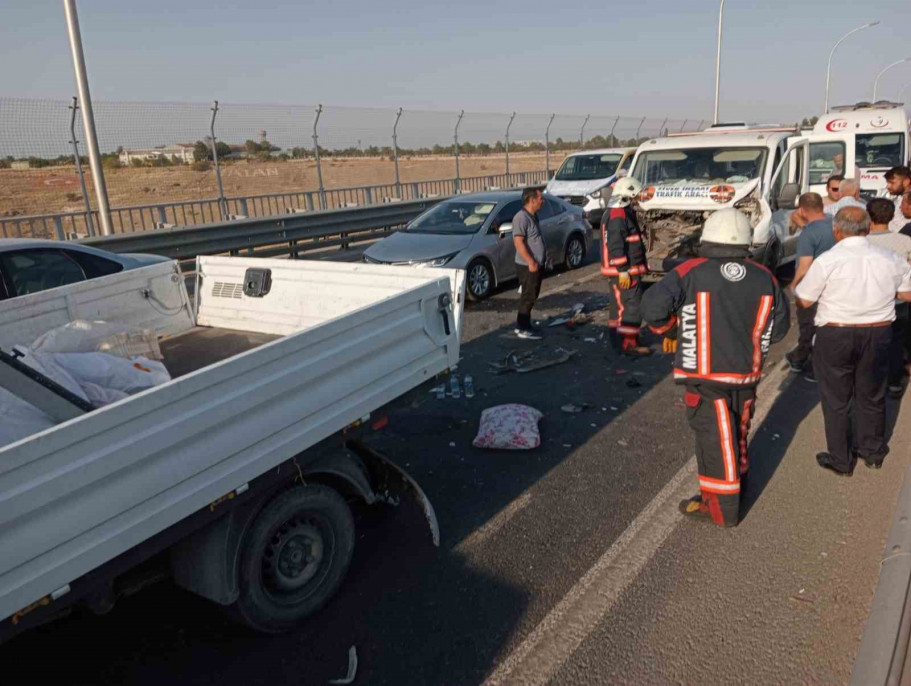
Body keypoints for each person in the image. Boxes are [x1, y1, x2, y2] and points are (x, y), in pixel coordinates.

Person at [641, 209, 790, 527]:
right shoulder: (765, 276)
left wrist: (670, 329)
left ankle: (722, 509)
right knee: (736, 433)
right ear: (747, 242)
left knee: (714, 438)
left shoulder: (690, 271)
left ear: (707, 238)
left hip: (704, 373)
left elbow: (652, 307)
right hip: (746, 374)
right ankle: (734, 488)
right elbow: (779, 329)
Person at [795, 207, 911, 476]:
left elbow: (805, 300)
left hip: (836, 334)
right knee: (872, 394)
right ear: (868, 229)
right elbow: (907, 295)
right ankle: (872, 452)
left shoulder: (827, 261)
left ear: (836, 231)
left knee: (836, 399)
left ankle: (841, 459)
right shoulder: (891, 257)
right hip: (879, 332)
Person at [786, 193, 835, 379]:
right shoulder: (832, 222)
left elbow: (805, 267)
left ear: (802, 210)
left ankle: (809, 366)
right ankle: (798, 358)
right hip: (832, 285)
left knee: (808, 326)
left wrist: (794, 284)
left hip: (813, 286)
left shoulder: (809, 233)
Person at [867, 198, 911, 396]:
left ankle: (871, 383)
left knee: (870, 345)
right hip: (899, 301)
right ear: (892, 216)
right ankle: (894, 382)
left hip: (869, 303)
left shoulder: (863, 242)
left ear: (869, 216)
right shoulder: (905, 241)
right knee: (895, 342)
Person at [602, 176, 651, 356]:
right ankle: (629, 344)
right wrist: (623, 271)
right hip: (626, 272)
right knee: (632, 307)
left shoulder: (616, 212)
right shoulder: (618, 215)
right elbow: (616, 245)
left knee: (619, 307)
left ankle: (618, 342)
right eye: (633, 196)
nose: (636, 199)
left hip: (623, 270)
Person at [512, 187, 546, 340]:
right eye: (540, 199)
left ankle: (526, 324)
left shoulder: (533, 216)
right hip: (527, 265)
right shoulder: (521, 218)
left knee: (532, 294)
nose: (542, 201)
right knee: (528, 295)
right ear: (532, 200)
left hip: (535, 264)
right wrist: (531, 261)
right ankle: (522, 327)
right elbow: (518, 243)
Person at [879, 166, 911, 233]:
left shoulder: (907, 199)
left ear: (906, 182)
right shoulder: (899, 198)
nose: (888, 186)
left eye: (892, 183)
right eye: (887, 183)